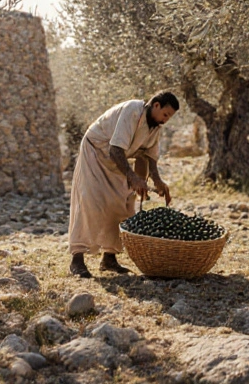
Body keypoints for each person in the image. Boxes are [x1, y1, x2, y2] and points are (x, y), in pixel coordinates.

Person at [67, 91, 178, 277]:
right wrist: (133, 177)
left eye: (169, 117)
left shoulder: (155, 127)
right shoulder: (132, 111)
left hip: (117, 160)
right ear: (156, 105)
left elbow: (149, 157)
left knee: (122, 203)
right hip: (96, 152)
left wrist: (157, 181)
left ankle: (109, 259)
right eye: (165, 114)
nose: (166, 120)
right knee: (91, 203)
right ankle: (77, 260)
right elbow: (115, 150)